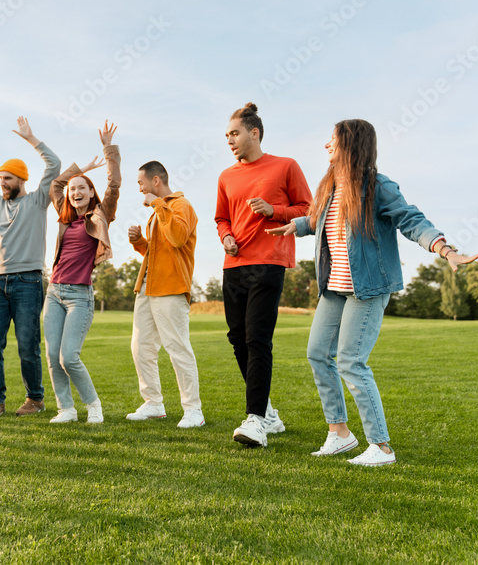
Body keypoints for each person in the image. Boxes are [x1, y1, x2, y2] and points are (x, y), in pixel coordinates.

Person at [267, 119, 478, 466]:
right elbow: (317, 218)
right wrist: (295, 225)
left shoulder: (378, 187)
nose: (326, 146)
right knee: (317, 354)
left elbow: (411, 220)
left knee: (351, 361)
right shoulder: (330, 187)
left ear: (350, 145)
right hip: (333, 288)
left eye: (332, 140)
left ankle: (381, 447)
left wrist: (445, 250)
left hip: (367, 289)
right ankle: (339, 433)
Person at [215, 102, 312, 448]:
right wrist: (225, 237)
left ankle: (255, 420)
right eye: (226, 135)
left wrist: (274, 211)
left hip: (269, 262)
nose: (229, 140)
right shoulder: (226, 176)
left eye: (235, 133)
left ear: (254, 133)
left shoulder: (286, 166)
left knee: (258, 338)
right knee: (237, 337)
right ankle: (268, 412)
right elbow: (221, 218)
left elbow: (308, 210)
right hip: (234, 266)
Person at [0, 116, 60, 417]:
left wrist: (31, 138)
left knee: (27, 345)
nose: (2, 183)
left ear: (21, 179)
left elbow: (54, 165)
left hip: (28, 282)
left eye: (7, 178)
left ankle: (35, 399)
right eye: (1, 178)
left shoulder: (36, 202)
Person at [44, 121, 120, 425]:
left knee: (68, 357)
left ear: (91, 193)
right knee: (52, 357)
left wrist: (108, 149)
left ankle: (93, 405)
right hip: (54, 293)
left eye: (82, 187)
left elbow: (113, 186)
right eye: (73, 188)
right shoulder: (64, 219)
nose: (75, 192)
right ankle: (66, 409)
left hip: (79, 296)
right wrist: (82, 167)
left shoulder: (100, 216)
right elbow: (54, 186)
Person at [126, 161, 204, 428]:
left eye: (141, 183)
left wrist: (157, 205)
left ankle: (193, 410)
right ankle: (153, 403)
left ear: (155, 181)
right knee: (140, 346)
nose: (140, 189)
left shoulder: (181, 206)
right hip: (148, 287)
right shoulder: (158, 212)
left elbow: (178, 237)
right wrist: (139, 242)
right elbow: (157, 253)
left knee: (177, 348)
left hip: (171, 288)